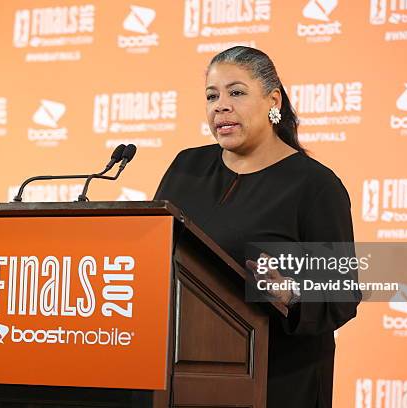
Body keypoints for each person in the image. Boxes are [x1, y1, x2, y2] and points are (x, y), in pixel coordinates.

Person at [154, 46, 361, 407]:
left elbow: (342, 294)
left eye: (236, 92)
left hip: (278, 382)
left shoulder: (314, 185)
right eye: (211, 95)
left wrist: (293, 297)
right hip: (188, 375)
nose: (220, 105)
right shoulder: (187, 166)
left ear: (273, 100)